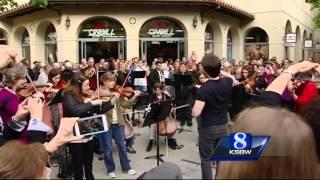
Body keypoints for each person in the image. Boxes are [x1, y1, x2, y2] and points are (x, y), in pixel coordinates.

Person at [62, 73, 114, 180]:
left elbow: (98, 111)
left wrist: (109, 102)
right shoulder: (68, 95)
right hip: (75, 136)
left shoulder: (85, 96)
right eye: (86, 85)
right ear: (78, 85)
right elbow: (75, 111)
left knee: (89, 163)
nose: (89, 88)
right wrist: (91, 103)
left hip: (88, 131)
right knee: (78, 165)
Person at [192, 54, 233, 179]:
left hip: (208, 128)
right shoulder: (228, 82)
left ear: (204, 70)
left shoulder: (204, 89)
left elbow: (196, 113)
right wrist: (218, 69)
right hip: (224, 125)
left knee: (206, 159)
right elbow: (229, 76)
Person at [97, 72, 138, 178]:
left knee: (122, 146)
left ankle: (126, 167)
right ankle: (110, 169)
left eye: (114, 81)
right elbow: (101, 108)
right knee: (108, 149)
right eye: (110, 81)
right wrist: (112, 96)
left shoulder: (116, 92)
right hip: (106, 123)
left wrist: (134, 97)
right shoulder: (99, 92)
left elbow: (125, 104)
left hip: (118, 123)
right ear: (104, 81)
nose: (113, 83)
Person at [146, 83, 180, 152]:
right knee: (152, 124)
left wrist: (169, 95)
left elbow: (174, 102)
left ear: (162, 89)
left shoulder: (166, 96)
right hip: (156, 116)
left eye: (159, 89)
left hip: (166, 115)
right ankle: (151, 140)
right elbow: (149, 106)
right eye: (156, 89)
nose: (158, 91)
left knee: (171, 125)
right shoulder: (152, 96)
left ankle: (171, 139)